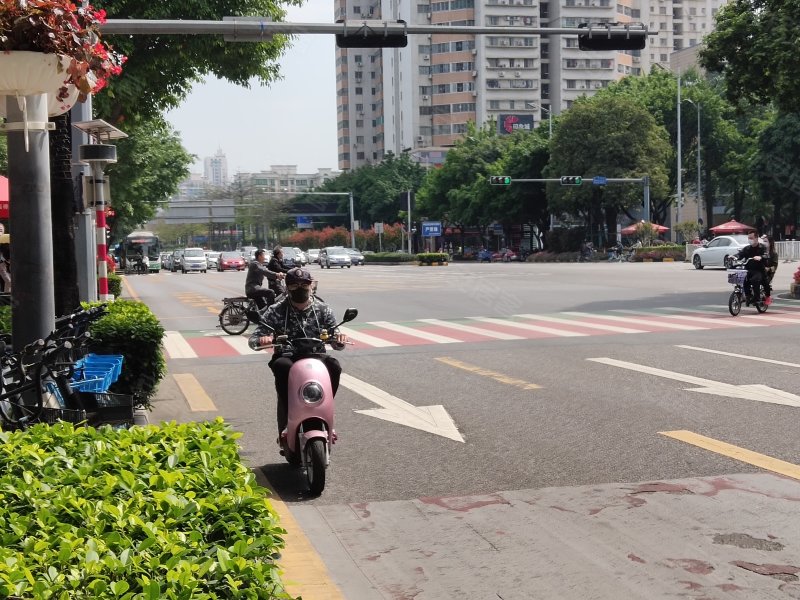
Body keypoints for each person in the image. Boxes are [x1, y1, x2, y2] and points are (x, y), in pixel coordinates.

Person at [248, 267, 348, 437]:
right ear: (287, 287)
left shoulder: (323, 309)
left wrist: (339, 339)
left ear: (311, 286)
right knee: (281, 366)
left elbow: (335, 338)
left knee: (334, 366)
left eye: (304, 284)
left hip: (317, 355)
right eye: (294, 285)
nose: (300, 288)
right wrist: (263, 339)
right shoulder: (276, 310)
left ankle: (325, 407)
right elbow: (254, 340)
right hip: (288, 356)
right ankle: (288, 417)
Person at [735, 231, 768, 305]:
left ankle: (757, 297)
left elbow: (766, 255)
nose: (749, 239)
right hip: (749, 269)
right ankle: (748, 296)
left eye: (751, 238)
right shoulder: (747, 248)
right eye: (748, 238)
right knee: (743, 279)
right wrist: (734, 257)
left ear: (756, 238)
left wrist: (761, 257)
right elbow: (740, 254)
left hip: (759, 270)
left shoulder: (762, 247)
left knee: (754, 279)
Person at [763, 235, 778, 302]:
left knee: (765, 281)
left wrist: (768, 269)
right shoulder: (761, 251)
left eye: (766, 241)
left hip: (768, 273)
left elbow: (775, 267)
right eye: (763, 241)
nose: (764, 243)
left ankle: (767, 296)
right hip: (760, 271)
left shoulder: (774, 254)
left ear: (770, 243)